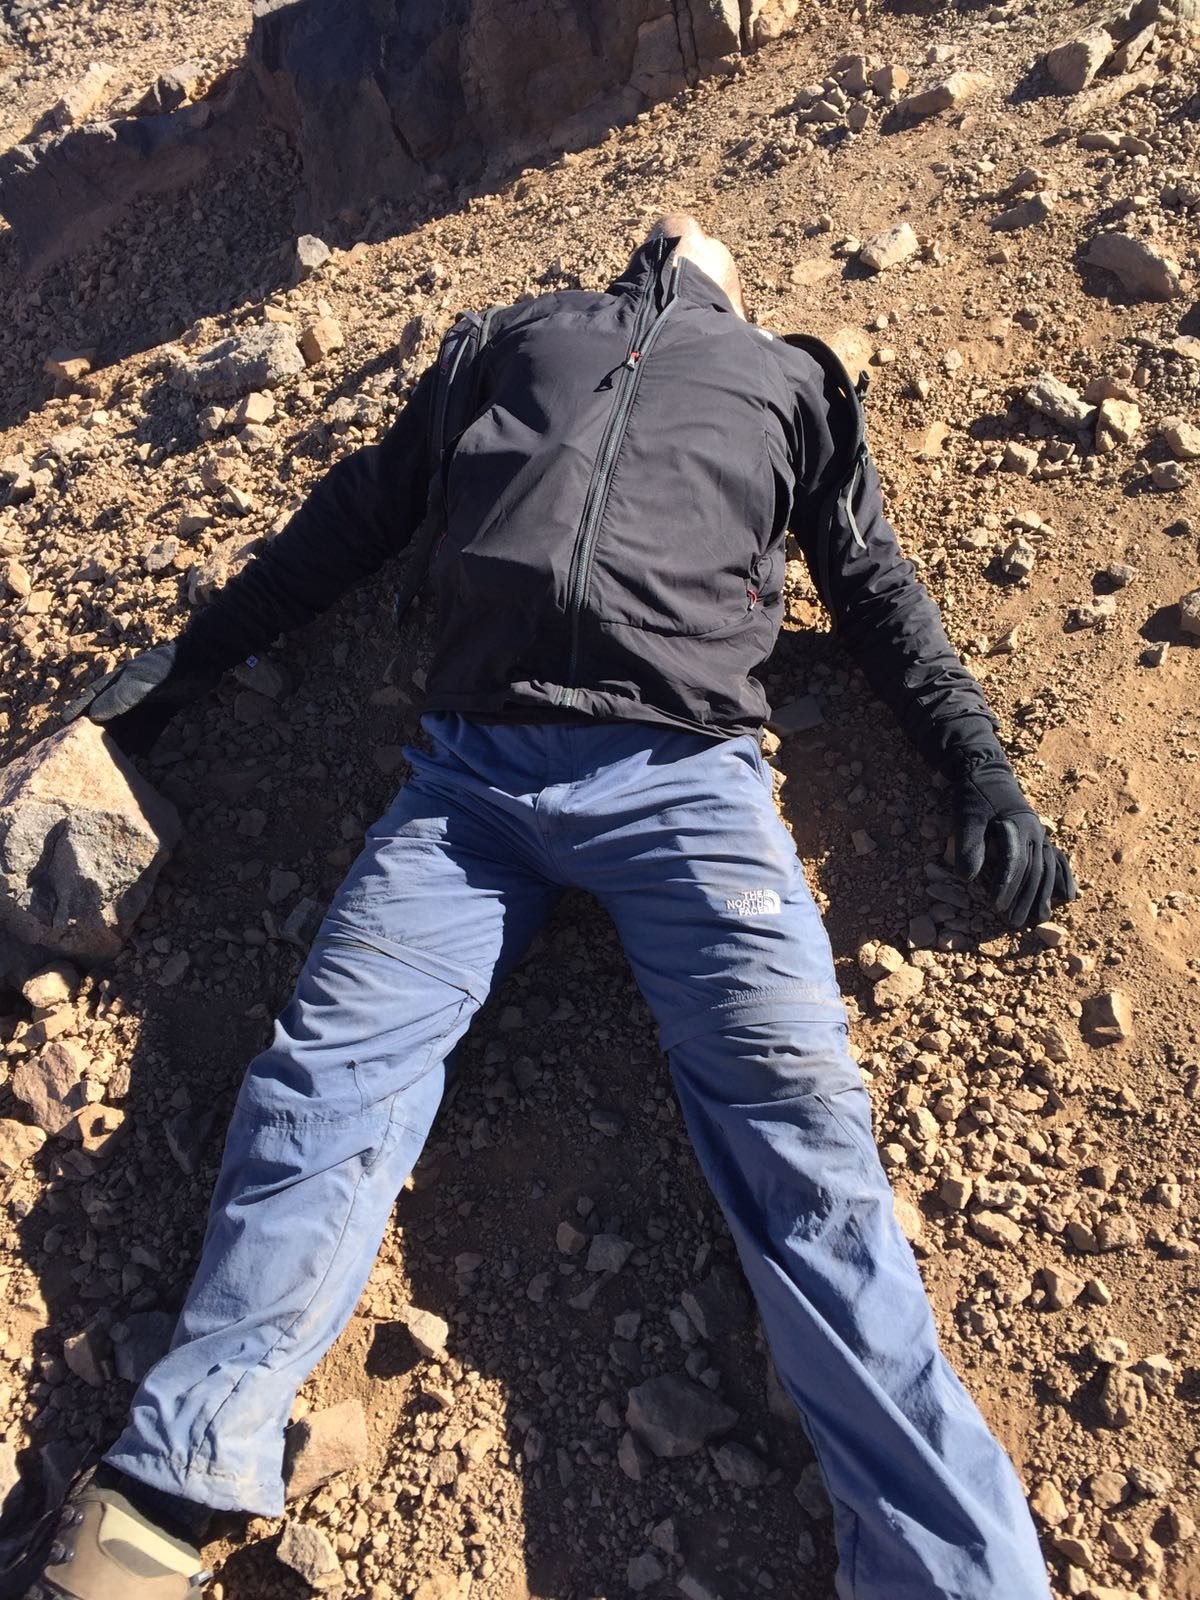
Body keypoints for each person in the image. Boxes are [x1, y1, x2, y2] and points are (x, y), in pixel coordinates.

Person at [28, 215, 1073, 1600]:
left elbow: (876, 589)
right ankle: (172, 1473)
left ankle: (961, 1575)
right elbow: (352, 519)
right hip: (474, 786)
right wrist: (183, 666)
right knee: (327, 1081)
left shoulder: (792, 380)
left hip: (684, 783)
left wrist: (978, 768)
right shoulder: (505, 343)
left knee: (804, 1150)